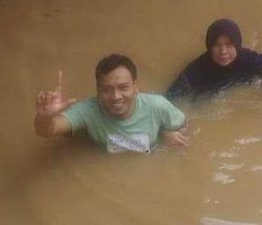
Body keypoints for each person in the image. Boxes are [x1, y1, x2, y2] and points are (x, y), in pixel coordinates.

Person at [35, 54, 188, 153]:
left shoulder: (158, 106)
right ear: (97, 90)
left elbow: (184, 125)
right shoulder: (89, 110)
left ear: (135, 87)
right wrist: (44, 117)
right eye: (106, 89)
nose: (116, 97)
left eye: (123, 88)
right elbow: (46, 131)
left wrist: (166, 132)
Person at [166, 18, 262, 101]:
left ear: (237, 44)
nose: (223, 51)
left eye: (229, 44)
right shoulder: (196, 71)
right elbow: (168, 100)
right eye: (217, 45)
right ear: (209, 47)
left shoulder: (250, 60)